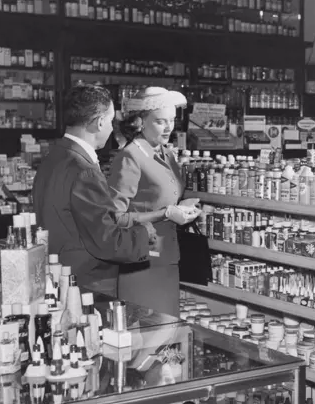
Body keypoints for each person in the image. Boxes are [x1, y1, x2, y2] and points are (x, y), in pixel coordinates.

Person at [33, 84, 157, 296]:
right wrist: (144, 234)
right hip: (86, 282)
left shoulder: (54, 157)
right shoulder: (84, 171)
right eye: (110, 121)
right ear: (100, 123)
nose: (111, 128)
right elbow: (107, 241)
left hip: (56, 272)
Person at [104, 87, 200, 316]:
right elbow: (116, 218)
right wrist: (165, 213)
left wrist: (182, 207)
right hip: (141, 260)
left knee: (166, 333)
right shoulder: (130, 157)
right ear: (140, 122)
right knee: (147, 335)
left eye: (172, 121)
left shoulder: (166, 153)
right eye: (160, 121)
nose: (168, 127)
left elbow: (164, 198)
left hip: (168, 257)